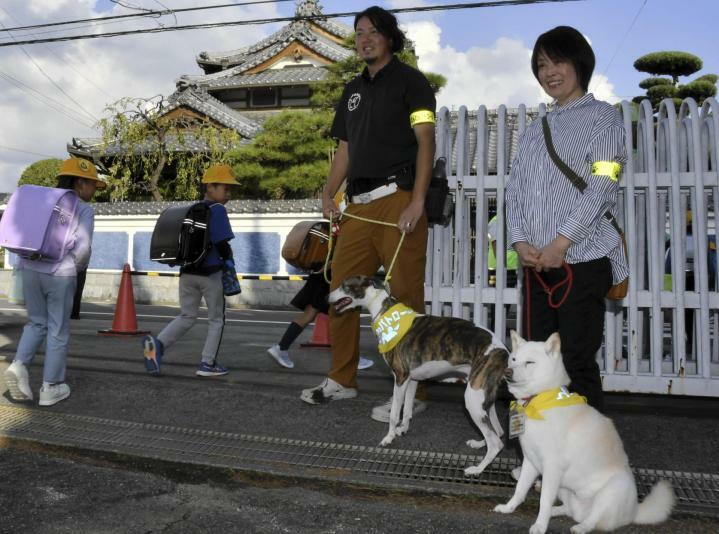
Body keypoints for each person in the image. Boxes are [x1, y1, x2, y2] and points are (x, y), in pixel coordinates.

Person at [300, 5, 435, 422]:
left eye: (373, 31)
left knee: (404, 299)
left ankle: (414, 390)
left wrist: (417, 201)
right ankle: (342, 380)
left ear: (389, 37)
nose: (365, 38)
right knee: (339, 292)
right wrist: (329, 191)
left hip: (400, 199)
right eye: (359, 32)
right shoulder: (352, 91)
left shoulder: (413, 82)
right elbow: (345, 148)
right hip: (357, 208)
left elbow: (426, 142)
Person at [505, 26, 628, 412]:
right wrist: (520, 242)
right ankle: (539, 455)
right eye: (541, 64)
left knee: (575, 360)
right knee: (534, 362)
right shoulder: (532, 130)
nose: (550, 72)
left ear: (579, 64)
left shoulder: (603, 117)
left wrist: (562, 242)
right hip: (536, 264)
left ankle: (590, 456)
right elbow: (515, 191)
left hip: (583, 258)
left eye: (558, 61)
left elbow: (603, 184)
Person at [4, 157, 104, 406]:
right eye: (92, 184)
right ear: (81, 182)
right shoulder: (82, 208)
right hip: (61, 273)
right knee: (58, 330)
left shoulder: (46, 201)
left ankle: (18, 366)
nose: (94, 190)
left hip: (29, 268)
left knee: (36, 323)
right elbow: (83, 249)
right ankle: (51, 386)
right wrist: (75, 268)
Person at [142, 164, 238, 378]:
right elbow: (223, 243)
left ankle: (157, 345)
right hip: (211, 274)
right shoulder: (217, 210)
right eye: (225, 188)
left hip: (187, 272)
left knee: (187, 316)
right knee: (216, 319)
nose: (229, 194)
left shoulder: (193, 209)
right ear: (209, 187)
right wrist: (229, 265)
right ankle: (208, 363)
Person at [267, 269, 375, 371]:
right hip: (331, 277)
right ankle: (350, 358)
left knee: (309, 315)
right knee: (345, 316)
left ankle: (281, 348)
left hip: (320, 276)